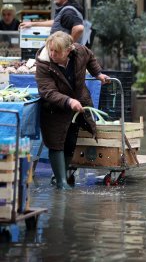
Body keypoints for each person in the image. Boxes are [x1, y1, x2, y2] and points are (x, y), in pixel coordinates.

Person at [35, 31, 110, 189]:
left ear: (68, 50)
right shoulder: (44, 63)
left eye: (57, 51)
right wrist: (68, 101)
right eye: (51, 50)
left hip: (78, 102)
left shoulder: (80, 51)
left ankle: (62, 175)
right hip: (54, 108)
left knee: (70, 139)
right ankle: (61, 182)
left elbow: (90, 56)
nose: (52, 54)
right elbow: (47, 91)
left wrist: (98, 74)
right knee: (56, 143)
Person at [19, 0, 84, 43]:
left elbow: (79, 28)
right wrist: (33, 24)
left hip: (64, 53)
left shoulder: (68, 12)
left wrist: (69, 46)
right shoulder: (66, 10)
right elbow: (56, 22)